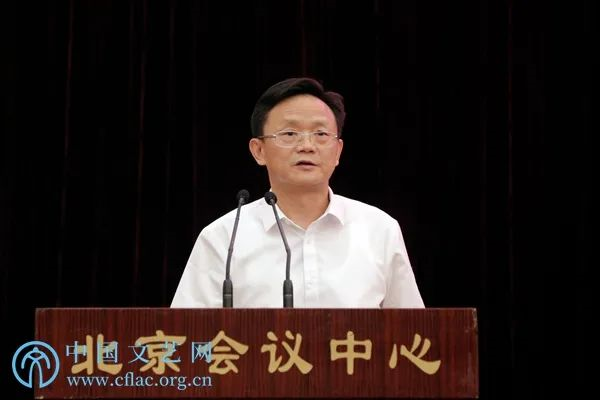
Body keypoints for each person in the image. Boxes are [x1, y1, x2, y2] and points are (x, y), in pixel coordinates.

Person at [171, 77, 424, 308]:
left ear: (338, 151)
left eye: (321, 134)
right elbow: (187, 335)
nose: (307, 146)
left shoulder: (379, 230)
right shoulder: (223, 238)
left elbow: (413, 332)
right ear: (258, 150)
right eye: (290, 134)